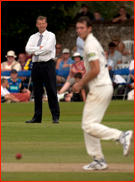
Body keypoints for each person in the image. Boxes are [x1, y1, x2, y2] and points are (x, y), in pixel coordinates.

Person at [72, 16, 133, 170]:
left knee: (87, 125)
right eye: (77, 28)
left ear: (89, 28)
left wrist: (79, 83)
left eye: (82, 28)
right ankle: (98, 159)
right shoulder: (91, 43)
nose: (79, 30)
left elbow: (95, 70)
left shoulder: (90, 45)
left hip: (100, 87)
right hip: (103, 86)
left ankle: (121, 135)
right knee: (90, 124)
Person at [25, 15, 60, 124]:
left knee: (51, 91)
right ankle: (37, 117)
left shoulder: (51, 36)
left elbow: (48, 49)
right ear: (37, 25)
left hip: (48, 64)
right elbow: (27, 49)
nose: (41, 25)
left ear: (46, 24)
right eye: (39, 23)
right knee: (37, 92)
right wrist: (38, 49)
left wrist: (34, 51)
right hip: (36, 65)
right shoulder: (33, 37)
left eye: (43, 23)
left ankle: (55, 116)